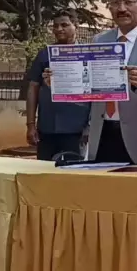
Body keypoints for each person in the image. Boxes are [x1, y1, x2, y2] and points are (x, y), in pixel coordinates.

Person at [45, 0, 137, 165]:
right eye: (115, 3)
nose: (121, 8)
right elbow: (90, 91)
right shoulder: (99, 40)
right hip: (103, 135)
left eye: (128, 2)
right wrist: (61, 84)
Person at [26, 10, 90, 160]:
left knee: (74, 171)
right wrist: (30, 125)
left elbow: (97, 92)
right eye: (55, 26)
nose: (59, 29)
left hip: (77, 129)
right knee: (44, 171)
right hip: (47, 128)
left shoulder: (87, 54)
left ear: (76, 26)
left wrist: (90, 127)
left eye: (64, 25)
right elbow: (33, 88)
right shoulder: (44, 55)